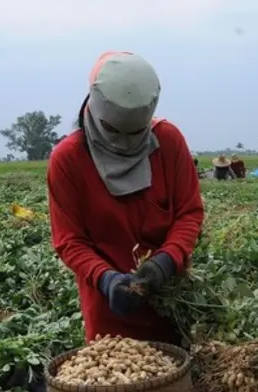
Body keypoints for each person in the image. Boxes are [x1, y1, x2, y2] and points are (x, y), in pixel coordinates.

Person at [47, 51, 204, 346]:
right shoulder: (68, 160)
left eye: (135, 133)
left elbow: (189, 213)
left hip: (171, 299)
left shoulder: (168, 142)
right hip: (108, 307)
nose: (124, 143)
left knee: (177, 378)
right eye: (113, 131)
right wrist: (106, 279)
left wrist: (165, 262)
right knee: (117, 382)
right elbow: (70, 240)